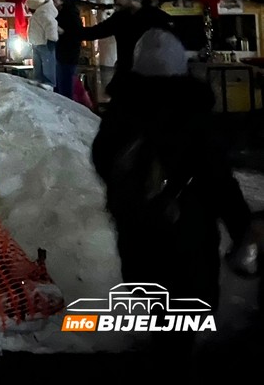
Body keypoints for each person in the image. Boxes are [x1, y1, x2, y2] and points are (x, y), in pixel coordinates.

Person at [90, 29, 255, 361]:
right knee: (186, 315)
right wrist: (242, 230)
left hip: (138, 229)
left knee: (155, 308)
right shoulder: (193, 112)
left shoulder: (122, 109)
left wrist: (131, 194)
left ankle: (163, 350)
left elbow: (102, 158)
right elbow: (219, 178)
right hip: (189, 233)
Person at [79, 0, 173, 99]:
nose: (118, 1)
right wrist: (69, 32)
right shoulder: (120, 18)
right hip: (127, 72)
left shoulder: (156, 17)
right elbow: (96, 32)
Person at [26, 0, 59, 87]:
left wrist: (51, 39)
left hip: (44, 42)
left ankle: (49, 82)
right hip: (37, 42)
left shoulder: (43, 13)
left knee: (47, 62)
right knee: (38, 63)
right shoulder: (38, 14)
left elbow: (51, 26)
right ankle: (38, 78)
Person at [54, 0, 83, 100]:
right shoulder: (68, 15)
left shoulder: (68, 16)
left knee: (64, 88)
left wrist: (62, 32)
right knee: (63, 86)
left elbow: (74, 35)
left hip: (66, 56)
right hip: (65, 55)